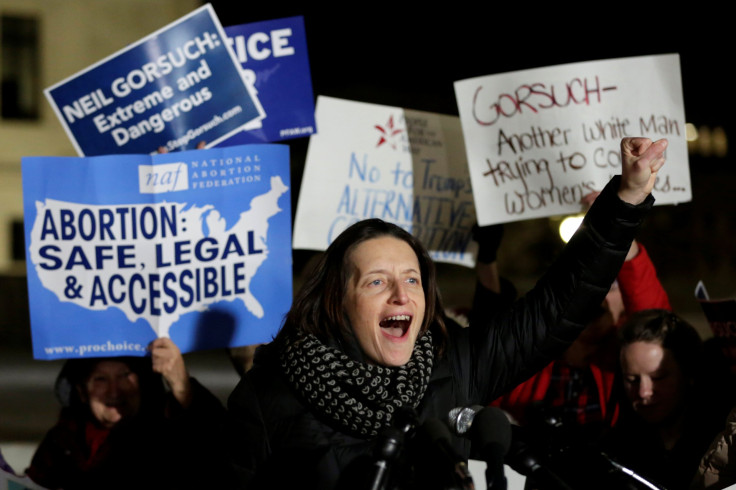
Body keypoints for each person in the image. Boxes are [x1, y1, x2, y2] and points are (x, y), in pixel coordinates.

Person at [225, 137, 668, 489]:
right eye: (377, 281)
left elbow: (554, 308)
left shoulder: (451, 363)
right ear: (336, 301)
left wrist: (624, 203)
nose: (402, 295)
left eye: (413, 279)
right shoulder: (269, 397)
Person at [488, 196, 671, 439]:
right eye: (582, 284)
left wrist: (618, 221)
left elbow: (654, 320)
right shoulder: (526, 359)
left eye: (611, 285)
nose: (597, 295)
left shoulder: (626, 362)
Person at [26, 338, 230, 490]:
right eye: (100, 379)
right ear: (81, 392)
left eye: (124, 376)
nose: (114, 391)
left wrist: (181, 384)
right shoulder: (62, 440)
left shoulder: (167, 432)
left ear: (142, 383)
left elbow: (219, 440)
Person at [600, 309, 729, 490]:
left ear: (688, 373)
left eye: (658, 377)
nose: (644, 392)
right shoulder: (617, 450)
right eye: (632, 379)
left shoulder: (720, 440)